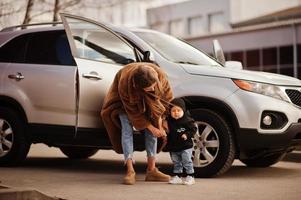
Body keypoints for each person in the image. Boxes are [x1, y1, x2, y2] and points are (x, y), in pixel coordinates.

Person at [101, 62, 173, 185]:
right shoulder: (126, 83)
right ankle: (130, 171)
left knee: (153, 131)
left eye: (153, 86)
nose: (152, 89)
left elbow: (165, 103)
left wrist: (160, 125)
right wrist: (151, 127)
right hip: (122, 102)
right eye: (148, 88)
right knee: (126, 129)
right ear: (137, 86)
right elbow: (133, 113)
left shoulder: (161, 77)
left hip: (150, 101)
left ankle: (151, 170)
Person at [166, 98, 197, 185]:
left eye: (178, 110)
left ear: (183, 110)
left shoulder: (187, 120)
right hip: (174, 146)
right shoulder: (169, 121)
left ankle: (190, 176)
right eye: (173, 111)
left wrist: (187, 135)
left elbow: (194, 129)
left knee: (187, 161)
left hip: (186, 146)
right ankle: (177, 176)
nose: (176, 113)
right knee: (176, 162)